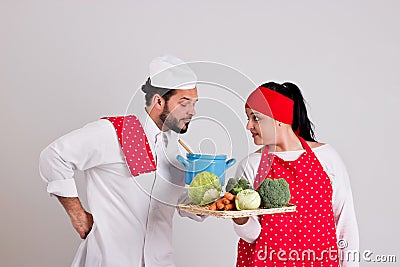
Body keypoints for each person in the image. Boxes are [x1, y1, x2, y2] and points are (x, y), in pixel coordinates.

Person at [39, 55, 202, 267]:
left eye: (194, 103)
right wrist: (77, 214)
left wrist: (210, 198)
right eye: (184, 103)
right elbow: (54, 156)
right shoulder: (120, 133)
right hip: (111, 260)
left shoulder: (176, 149)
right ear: (159, 101)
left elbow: (177, 200)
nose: (192, 112)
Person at [232, 82, 359, 267]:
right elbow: (252, 236)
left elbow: (345, 223)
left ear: (279, 118)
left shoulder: (326, 157)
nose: (248, 126)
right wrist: (240, 218)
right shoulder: (251, 164)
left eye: (255, 118)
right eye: (248, 118)